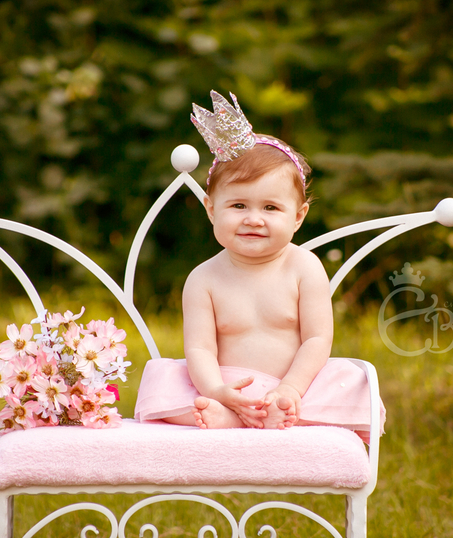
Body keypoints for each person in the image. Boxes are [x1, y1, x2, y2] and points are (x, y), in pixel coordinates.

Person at [135, 91, 384, 438]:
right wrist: (216, 390)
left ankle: (275, 412)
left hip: (295, 386)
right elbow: (200, 348)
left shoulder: (304, 268)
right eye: (238, 206)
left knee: (351, 382)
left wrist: (290, 389)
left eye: (270, 208)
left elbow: (317, 339)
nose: (254, 219)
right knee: (163, 379)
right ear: (211, 209)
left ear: (298, 217)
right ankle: (231, 412)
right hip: (225, 385)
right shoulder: (203, 278)